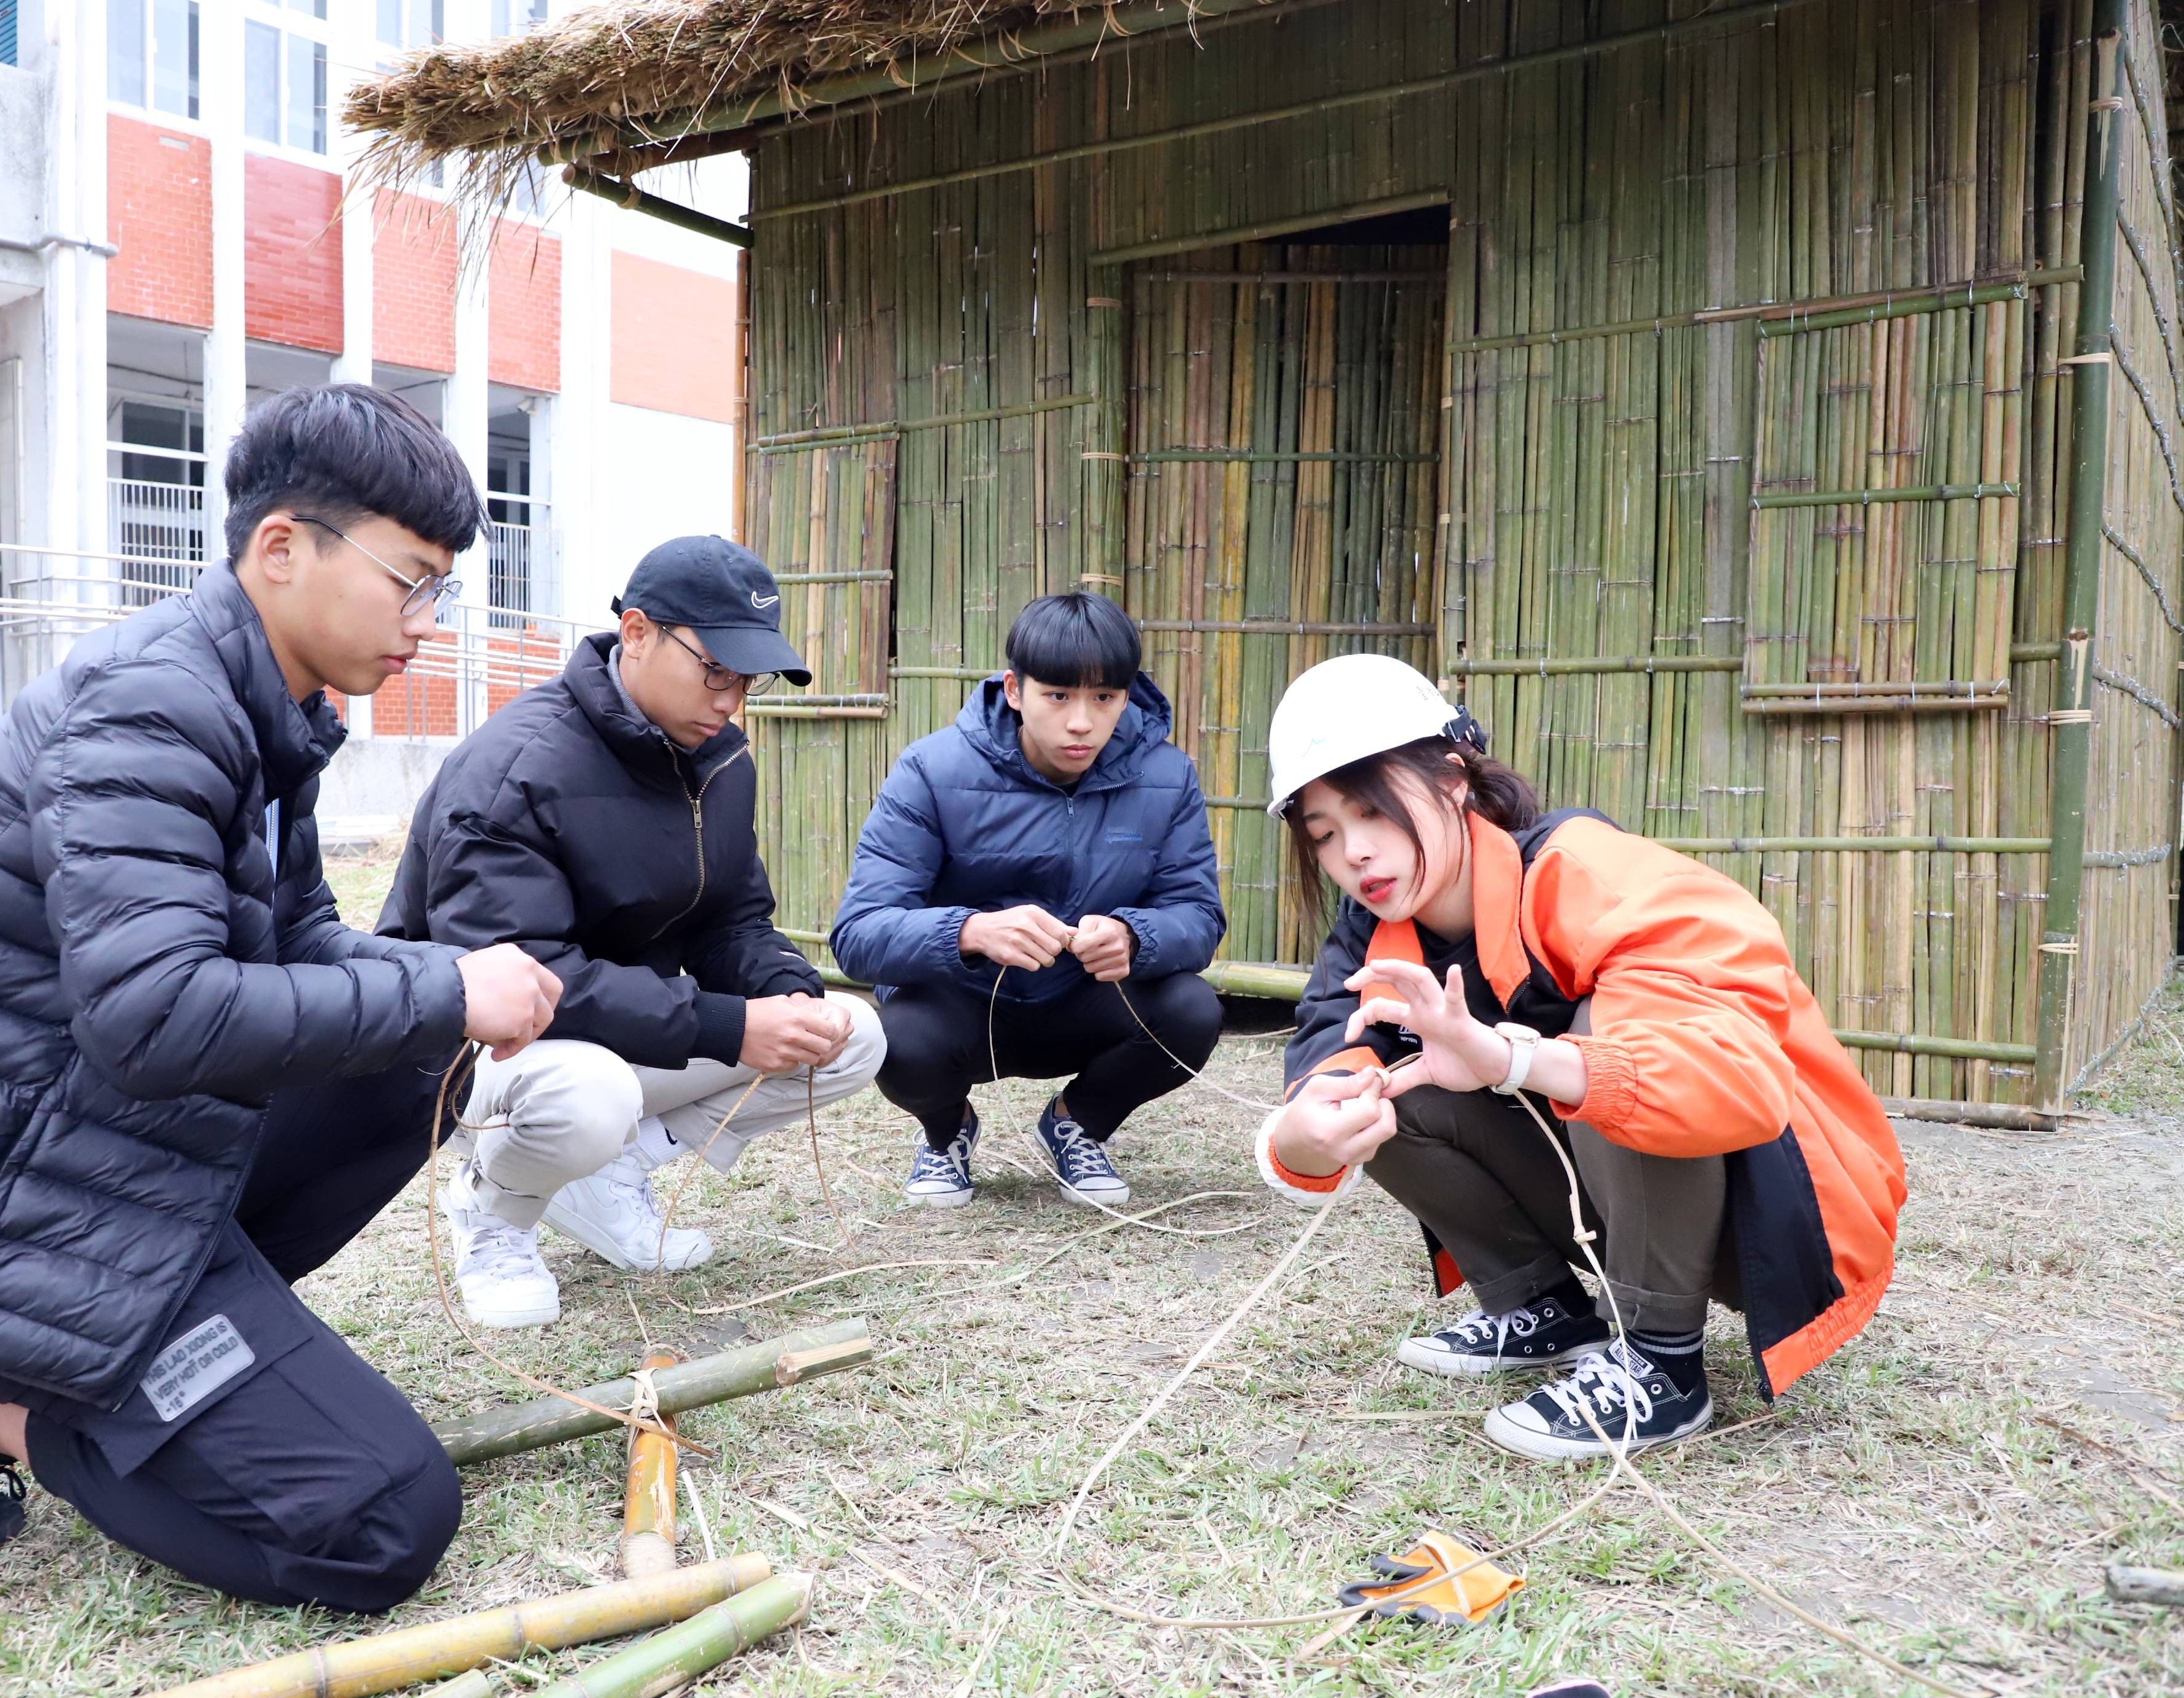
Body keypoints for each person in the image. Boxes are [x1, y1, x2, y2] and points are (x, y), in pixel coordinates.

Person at [0, 385, 564, 1610]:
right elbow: (152, 1016)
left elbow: (305, 939)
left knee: (421, 1056)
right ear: (282, 549)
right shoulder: (149, 707)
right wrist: (444, 984)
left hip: (111, 1155)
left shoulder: (272, 711)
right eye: (409, 579)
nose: (427, 620)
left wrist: (451, 992)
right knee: (383, 1522)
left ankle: (169, 1348)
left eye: (440, 589)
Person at [1252, 654, 1907, 1459]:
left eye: (1374, 813)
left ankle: (1661, 1366)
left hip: (1775, 1208)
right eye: (1324, 834)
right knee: (1386, 1083)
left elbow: (1722, 1080)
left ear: (1455, 780)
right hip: (1624, 1202)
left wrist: (1508, 1061)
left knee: (1613, 1031)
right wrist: (1300, 1137)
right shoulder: (1375, 939)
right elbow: (1329, 1042)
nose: (1354, 852)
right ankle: (1544, 1308)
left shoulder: (1590, 871)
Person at [380, 536, 887, 1329]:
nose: (732, 700)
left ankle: (610, 1175)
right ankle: (492, 1216)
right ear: (640, 632)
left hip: (626, 1033)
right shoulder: (517, 767)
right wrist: (730, 1024)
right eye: (716, 671)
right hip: (478, 1052)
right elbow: (529, 981)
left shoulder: (718, 760)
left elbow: (730, 917)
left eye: (746, 679)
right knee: (591, 1094)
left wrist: (783, 990)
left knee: (850, 1032)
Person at [829, 590, 1226, 1210]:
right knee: (895, 1036)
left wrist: (1133, 936)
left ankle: (1078, 1121)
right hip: (963, 1007)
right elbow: (857, 933)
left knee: (1192, 1010)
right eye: (1058, 695)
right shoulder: (930, 770)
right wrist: (969, 932)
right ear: (1015, 689)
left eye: (1105, 697)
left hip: (1084, 1000)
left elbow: (1197, 915)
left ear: (1128, 694)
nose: (1082, 721)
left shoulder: (1167, 777)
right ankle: (946, 1132)